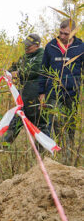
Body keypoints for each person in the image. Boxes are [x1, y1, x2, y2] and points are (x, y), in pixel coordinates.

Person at [39, 19, 83, 150]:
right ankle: (58, 151)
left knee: (69, 124)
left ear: (73, 33)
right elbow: (43, 70)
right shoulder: (51, 46)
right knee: (56, 123)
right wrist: (41, 92)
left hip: (72, 93)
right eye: (61, 33)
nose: (62, 36)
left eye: (66, 34)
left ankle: (68, 150)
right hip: (53, 92)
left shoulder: (81, 47)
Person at [2, 33, 45, 143]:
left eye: (29, 45)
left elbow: (35, 70)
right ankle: (5, 144)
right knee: (17, 117)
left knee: (38, 122)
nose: (26, 47)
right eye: (25, 45)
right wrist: (8, 72)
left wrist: (19, 73)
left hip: (35, 93)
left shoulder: (41, 55)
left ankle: (43, 148)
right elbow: (14, 67)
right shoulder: (24, 57)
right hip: (23, 93)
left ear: (37, 45)